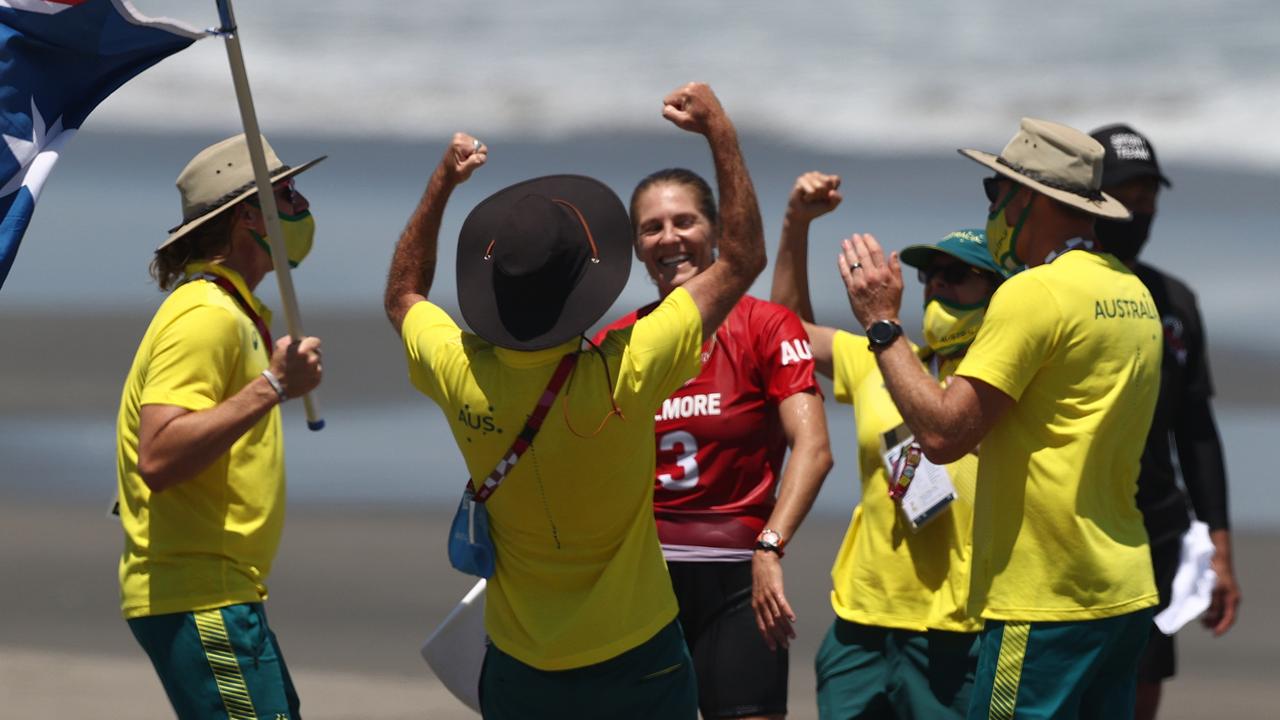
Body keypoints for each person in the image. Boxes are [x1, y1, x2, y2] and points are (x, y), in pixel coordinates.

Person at [383, 82, 766, 720]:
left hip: (520, 662)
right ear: (584, 287)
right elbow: (743, 259)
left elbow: (403, 295)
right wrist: (719, 131)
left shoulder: (459, 371)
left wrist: (441, 186)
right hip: (638, 656)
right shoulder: (629, 368)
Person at [840, 118, 1164, 719]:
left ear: (1027, 199)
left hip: (1045, 595)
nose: (991, 207)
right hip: (1123, 589)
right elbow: (1061, 425)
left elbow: (941, 434)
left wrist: (883, 327)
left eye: (996, 191)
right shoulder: (1132, 292)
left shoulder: (1032, 292)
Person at [593, 167, 833, 720]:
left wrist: (771, 546)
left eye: (685, 221)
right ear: (637, 247)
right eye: (652, 228)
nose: (669, 237)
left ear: (718, 232)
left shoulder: (767, 327)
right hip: (642, 584)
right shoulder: (615, 344)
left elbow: (814, 448)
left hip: (740, 583)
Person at [771, 172, 1005, 718]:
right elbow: (789, 331)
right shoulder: (887, 358)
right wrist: (795, 226)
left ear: (997, 292)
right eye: (931, 275)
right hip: (863, 622)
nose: (939, 285)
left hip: (957, 627)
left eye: (959, 275)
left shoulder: (1005, 381)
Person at [116, 134, 326, 719]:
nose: (302, 204)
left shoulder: (231, 310)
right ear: (246, 218)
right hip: (202, 594)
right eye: (287, 193)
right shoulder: (206, 316)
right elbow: (157, 456)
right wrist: (274, 387)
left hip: (224, 590)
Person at [1090, 123, 1242, 720]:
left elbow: (1196, 430)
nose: (1139, 208)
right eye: (1125, 193)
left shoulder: (1175, 302)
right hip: (1068, 530)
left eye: (1149, 194)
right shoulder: (1042, 293)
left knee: (1139, 692)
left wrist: (1219, 550)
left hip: (1154, 528)